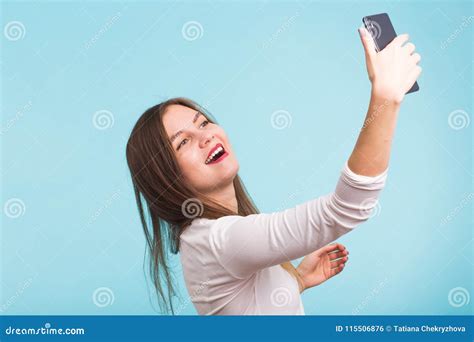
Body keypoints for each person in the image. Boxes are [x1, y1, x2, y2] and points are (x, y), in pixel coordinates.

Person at [125, 26, 421, 315]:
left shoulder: (210, 237)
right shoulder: (219, 240)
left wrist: (295, 281)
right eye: (183, 142)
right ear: (164, 177)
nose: (206, 136)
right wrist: (385, 98)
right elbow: (346, 209)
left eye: (203, 122)